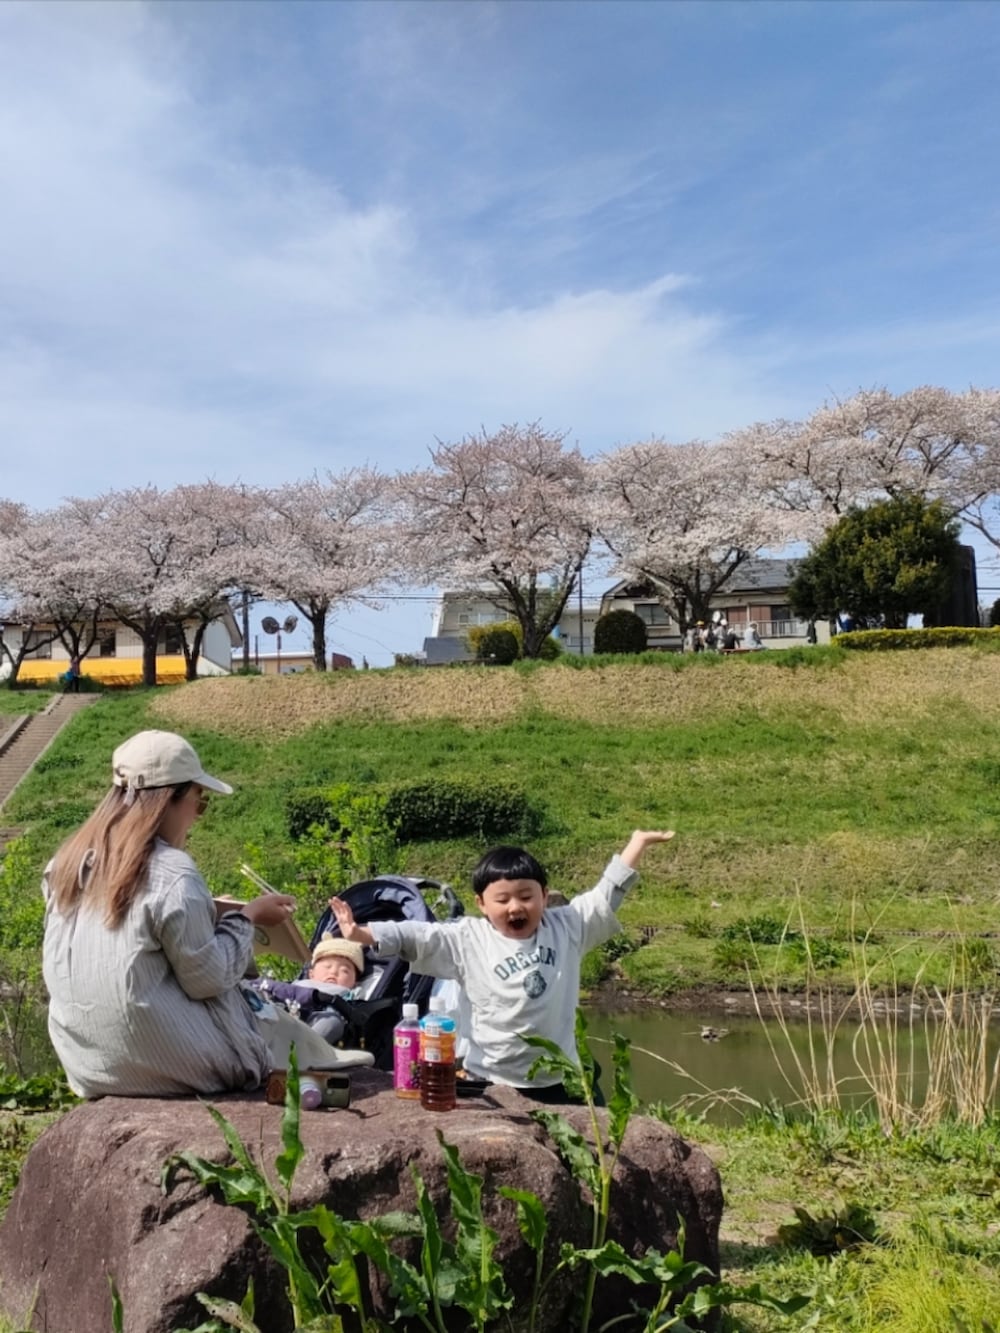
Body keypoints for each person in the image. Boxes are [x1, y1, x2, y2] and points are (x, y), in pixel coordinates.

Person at [41, 729, 303, 1098]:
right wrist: (247, 918)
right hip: (173, 1066)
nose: (198, 815)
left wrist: (206, 909)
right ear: (170, 800)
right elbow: (207, 979)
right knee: (260, 1012)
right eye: (200, 802)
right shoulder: (174, 871)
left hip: (90, 1067)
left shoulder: (64, 864)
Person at [329, 829, 675, 1102]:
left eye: (526, 897)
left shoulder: (566, 927)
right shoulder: (468, 938)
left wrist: (636, 844)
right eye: (503, 899)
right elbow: (418, 935)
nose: (515, 907)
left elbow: (605, 897)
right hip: (491, 1080)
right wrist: (362, 933)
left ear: (544, 894)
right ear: (481, 903)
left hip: (558, 1078)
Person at [255, 934, 364, 1044]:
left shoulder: (351, 996)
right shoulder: (299, 985)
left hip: (318, 1020)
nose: (333, 972)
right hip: (284, 1013)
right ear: (311, 974)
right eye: (327, 966)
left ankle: (301, 1051)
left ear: (354, 983)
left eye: (345, 970)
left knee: (333, 1022)